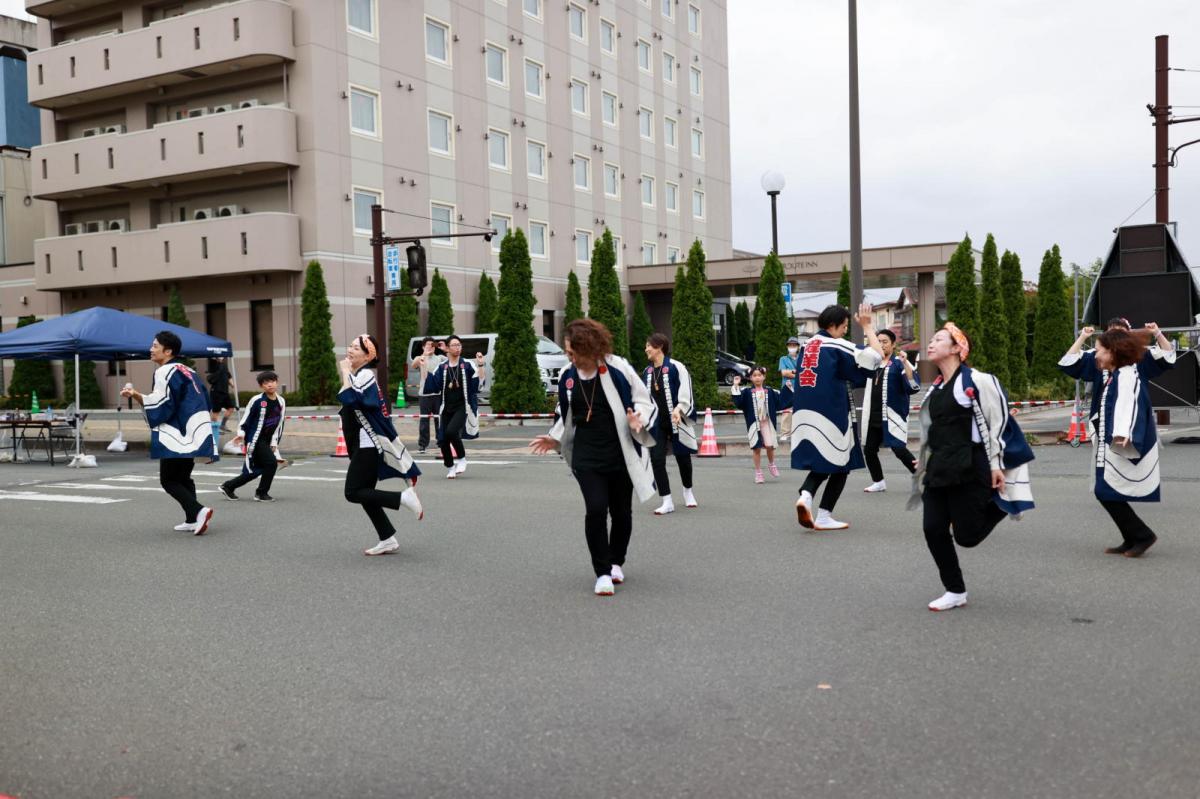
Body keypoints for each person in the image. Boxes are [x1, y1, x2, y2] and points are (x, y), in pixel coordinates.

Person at [908, 324, 1035, 611]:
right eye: (931, 339)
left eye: (938, 339)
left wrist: (996, 464)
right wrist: (924, 460)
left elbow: (998, 423)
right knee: (933, 529)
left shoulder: (979, 380)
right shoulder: (936, 388)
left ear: (957, 348)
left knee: (967, 537)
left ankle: (1002, 505)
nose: (930, 343)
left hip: (971, 463)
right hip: (940, 465)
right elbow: (933, 430)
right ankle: (955, 590)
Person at [530, 318, 657, 596]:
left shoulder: (617, 368)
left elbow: (644, 399)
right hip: (586, 455)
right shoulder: (568, 376)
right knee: (596, 509)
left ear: (590, 348)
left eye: (573, 352)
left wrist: (639, 419)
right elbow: (565, 415)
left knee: (621, 512)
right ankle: (602, 572)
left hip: (620, 452)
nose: (569, 357)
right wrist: (554, 437)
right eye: (567, 351)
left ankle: (616, 561)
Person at [1059, 324, 1175, 557]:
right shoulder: (1117, 373)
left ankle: (1142, 535)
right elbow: (1068, 363)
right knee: (1105, 490)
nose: (1096, 355)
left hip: (1120, 440)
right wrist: (1082, 337)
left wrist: (1124, 433)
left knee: (1105, 490)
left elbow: (1128, 405)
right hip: (1109, 438)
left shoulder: (1127, 374)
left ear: (1114, 351)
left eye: (1100, 350)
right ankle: (1132, 537)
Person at [789, 303, 885, 531]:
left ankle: (806, 495)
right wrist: (867, 327)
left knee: (828, 461)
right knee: (841, 462)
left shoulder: (807, 345)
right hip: (831, 412)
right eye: (844, 326)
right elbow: (877, 356)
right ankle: (822, 514)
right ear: (833, 325)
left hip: (804, 412)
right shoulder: (835, 344)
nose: (845, 330)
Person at [120, 330, 216, 536]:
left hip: (176, 432)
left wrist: (135, 394)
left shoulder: (164, 371)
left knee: (169, 480)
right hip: (195, 428)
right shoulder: (188, 370)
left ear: (168, 351)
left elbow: (160, 403)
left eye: (155, 346)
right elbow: (205, 400)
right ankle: (192, 519)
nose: (151, 349)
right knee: (184, 478)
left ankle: (199, 511)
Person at [338, 334, 424, 556]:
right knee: (366, 493)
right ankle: (387, 539)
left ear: (368, 356)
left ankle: (403, 498)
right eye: (350, 346)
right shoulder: (359, 374)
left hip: (369, 443)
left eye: (356, 348)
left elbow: (351, 399)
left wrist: (345, 372)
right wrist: (348, 373)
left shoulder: (365, 374)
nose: (350, 350)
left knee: (353, 492)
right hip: (363, 443)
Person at [642, 333, 698, 514]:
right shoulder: (647, 372)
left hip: (676, 420)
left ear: (659, 347)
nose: (646, 349)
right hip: (657, 423)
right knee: (656, 460)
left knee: (683, 458)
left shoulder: (676, 367)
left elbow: (686, 391)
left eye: (648, 346)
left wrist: (679, 409)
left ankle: (688, 491)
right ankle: (667, 500)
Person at [417, 335, 486, 479]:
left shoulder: (467, 364)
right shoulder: (442, 367)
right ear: (448, 348)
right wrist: (423, 365)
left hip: (463, 406)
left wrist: (481, 365)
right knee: (442, 439)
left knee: (451, 431)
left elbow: (478, 383)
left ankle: (462, 458)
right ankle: (450, 467)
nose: (458, 348)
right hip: (446, 407)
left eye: (459, 345)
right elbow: (430, 384)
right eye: (454, 345)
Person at [860, 329, 920, 492]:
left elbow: (914, 387)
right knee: (869, 450)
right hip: (873, 415)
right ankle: (878, 481)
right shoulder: (872, 364)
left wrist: (906, 363)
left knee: (899, 449)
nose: (881, 345)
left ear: (893, 344)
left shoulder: (899, 363)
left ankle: (923, 479)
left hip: (893, 415)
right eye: (878, 341)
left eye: (885, 342)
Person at [219, 371, 286, 502]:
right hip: (255, 440)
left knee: (257, 469)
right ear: (261, 386)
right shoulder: (257, 400)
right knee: (271, 463)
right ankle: (261, 493)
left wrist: (274, 442)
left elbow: (279, 423)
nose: (270, 385)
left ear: (277, 382)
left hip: (267, 440)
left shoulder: (281, 401)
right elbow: (246, 419)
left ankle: (228, 486)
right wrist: (241, 435)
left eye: (272, 381)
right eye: (266, 383)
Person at [731, 366, 788, 483]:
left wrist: (788, 388)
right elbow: (739, 402)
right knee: (756, 448)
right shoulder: (746, 392)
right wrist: (736, 385)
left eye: (759, 375)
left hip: (767, 423)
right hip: (754, 423)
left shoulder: (770, 391)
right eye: (754, 375)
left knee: (770, 446)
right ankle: (758, 472)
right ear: (750, 378)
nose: (757, 378)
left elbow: (781, 401)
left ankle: (772, 464)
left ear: (764, 377)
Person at [415, 337, 446, 454]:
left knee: (439, 419)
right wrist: (425, 354)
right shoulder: (420, 358)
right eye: (428, 344)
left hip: (438, 393)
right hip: (424, 394)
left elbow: (453, 359)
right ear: (423, 346)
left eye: (432, 345)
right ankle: (423, 445)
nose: (430, 347)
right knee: (424, 420)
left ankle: (441, 442)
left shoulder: (440, 358)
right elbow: (413, 364)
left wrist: (445, 349)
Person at [777, 335, 801, 441]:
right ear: (787, 346)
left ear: (798, 346)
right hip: (787, 388)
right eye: (790, 345)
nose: (792, 347)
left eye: (794, 345)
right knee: (787, 411)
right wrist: (797, 372)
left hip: (800, 387)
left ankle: (798, 432)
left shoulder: (802, 358)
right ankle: (785, 433)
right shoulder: (783, 359)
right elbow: (784, 373)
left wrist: (791, 372)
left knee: (799, 410)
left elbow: (804, 372)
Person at [206, 357, 237, 432]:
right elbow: (210, 374)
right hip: (216, 392)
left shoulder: (224, 365)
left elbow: (229, 376)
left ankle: (223, 425)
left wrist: (232, 384)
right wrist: (216, 359)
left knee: (231, 408)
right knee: (216, 411)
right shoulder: (213, 364)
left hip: (225, 391)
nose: (222, 358)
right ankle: (214, 429)